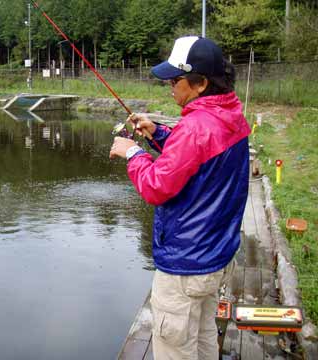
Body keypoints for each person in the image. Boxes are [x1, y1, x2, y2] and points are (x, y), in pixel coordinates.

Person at [109, 36, 250, 359]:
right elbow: (199, 157)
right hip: (216, 256)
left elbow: (156, 187)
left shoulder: (195, 127)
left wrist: (132, 153)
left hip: (186, 264)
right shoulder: (231, 117)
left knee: (175, 348)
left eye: (175, 80)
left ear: (200, 84)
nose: (170, 86)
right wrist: (157, 132)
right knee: (201, 340)